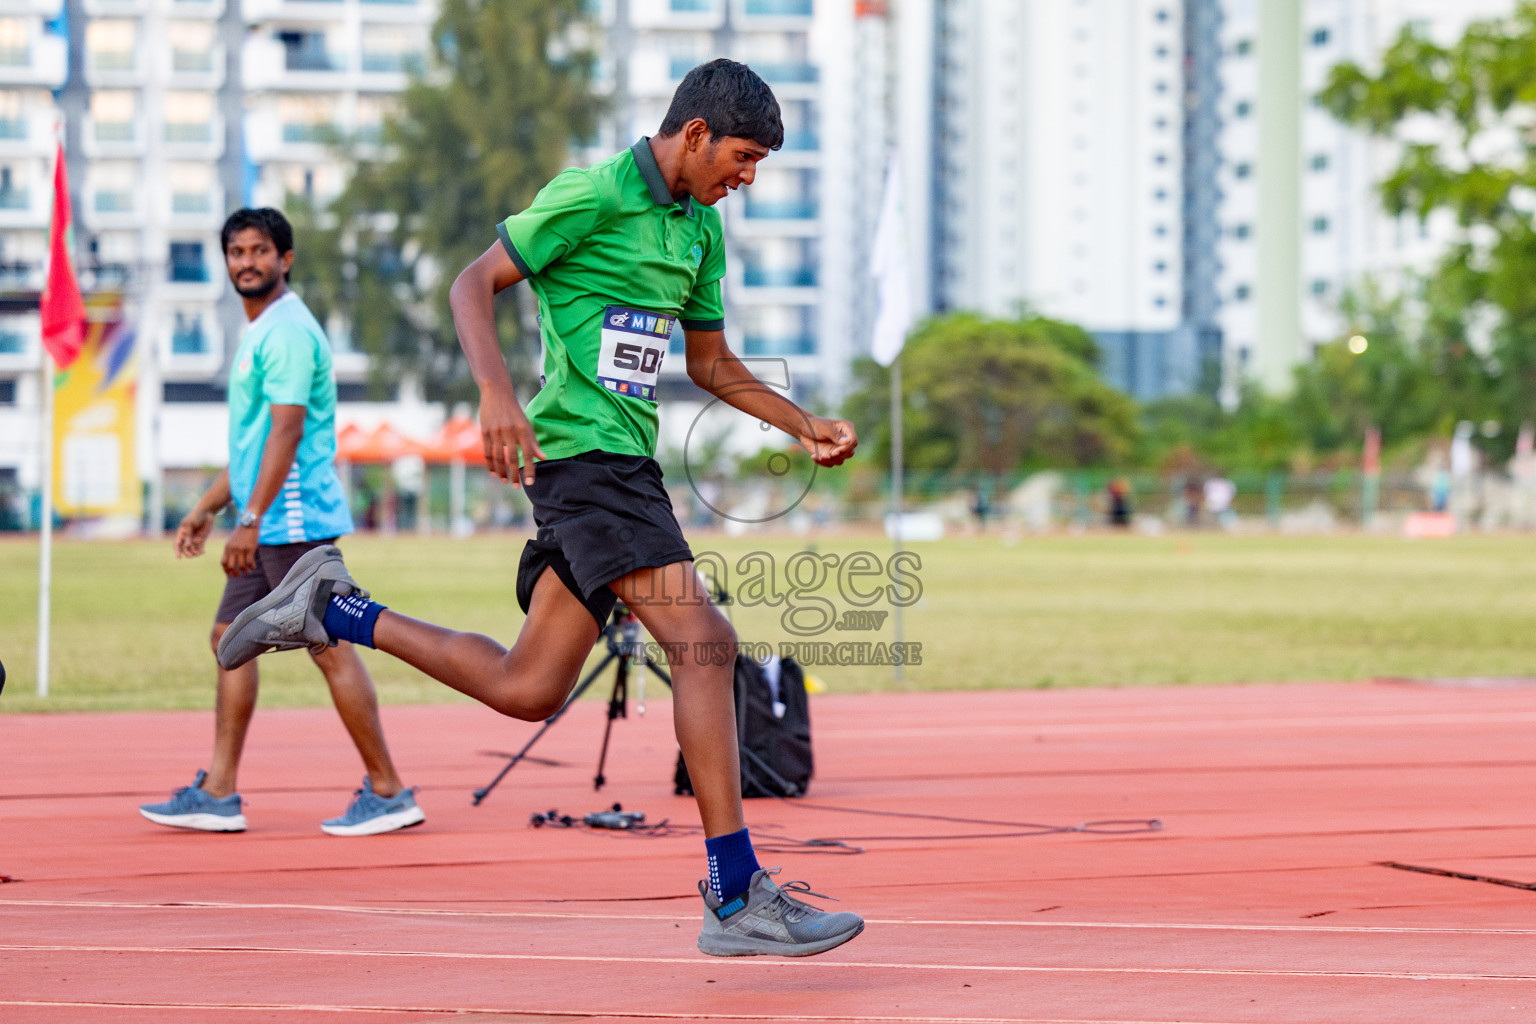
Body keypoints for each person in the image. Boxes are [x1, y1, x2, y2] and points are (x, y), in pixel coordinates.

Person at [215, 61, 865, 958]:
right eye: (744, 156)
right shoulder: (589, 194)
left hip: (625, 466)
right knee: (705, 644)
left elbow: (711, 365)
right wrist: (496, 396)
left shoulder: (699, 232)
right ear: (696, 134)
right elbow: (470, 285)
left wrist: (804, 425)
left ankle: (331, 606)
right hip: (583, 463)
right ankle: (734, 889)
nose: (747, 178)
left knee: (528, 689)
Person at [139, 208, 424, 838]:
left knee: (327, 646)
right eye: (236, 251)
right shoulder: (263, 329)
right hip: (266, 517)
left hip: (290, 518)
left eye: (259, 250)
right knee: (227, 639)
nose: (247, 261)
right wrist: (206, 508)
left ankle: (388, 790)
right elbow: (253, 443)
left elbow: (288, 430)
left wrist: (250, 517)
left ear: (285, 258)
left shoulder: (288, 331)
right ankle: (217, 791)